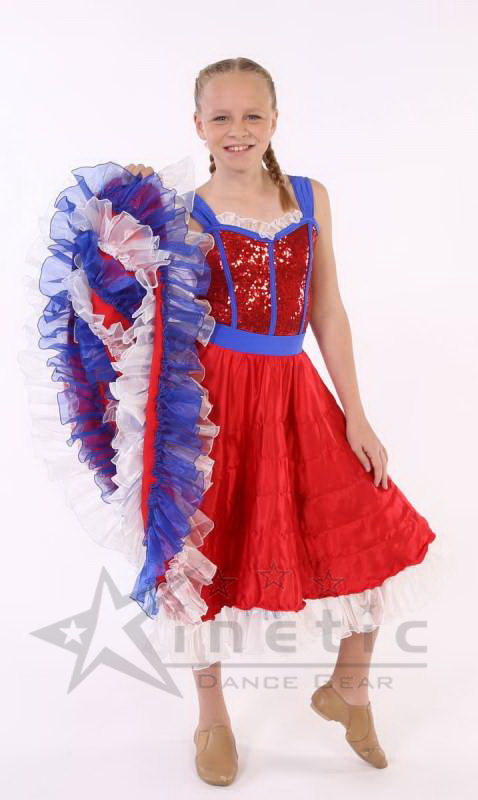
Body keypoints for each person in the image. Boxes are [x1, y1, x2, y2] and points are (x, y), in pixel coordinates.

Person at [21, 56, 450, 786]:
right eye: (221, 117)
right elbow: (116, 283)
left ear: (275, 120)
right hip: (215, 399)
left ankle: (348, 690)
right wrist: (123, 202)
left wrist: (357, 414)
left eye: (253, 115)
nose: (237, 129)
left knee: (372, 524)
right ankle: (212, 717)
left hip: (294, 388)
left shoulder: (310, 197)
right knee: (206, 552)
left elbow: (327, 311)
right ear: (199, 125)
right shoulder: (183, 211)